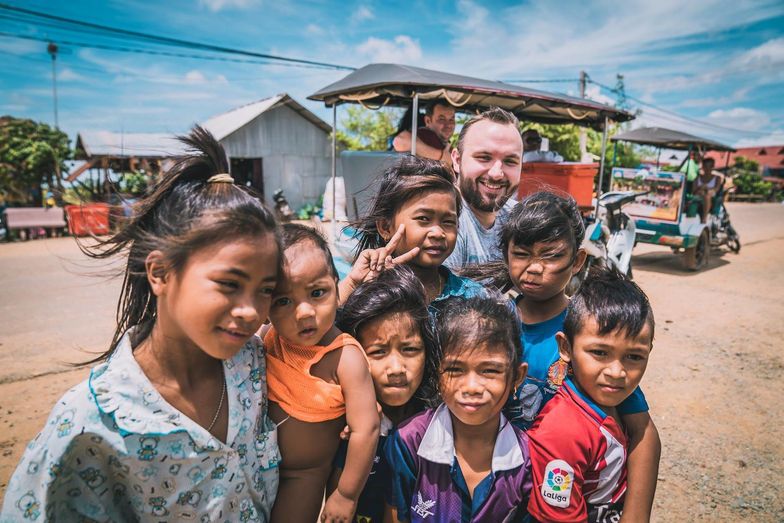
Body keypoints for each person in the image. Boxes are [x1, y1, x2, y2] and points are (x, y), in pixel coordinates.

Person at [1, 127, 282, 521]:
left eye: (265, 290)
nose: (251, 311)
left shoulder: (251, 364)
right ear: (160, 273)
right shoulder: (90, 424)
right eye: (229, 285)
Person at [464, 191, 661, 521]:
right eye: (522, 254)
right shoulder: (491, 327)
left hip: (571, 498)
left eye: (551, 256)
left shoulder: (592, 336)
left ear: (578, 260)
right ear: (506, 255)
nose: (535, 268)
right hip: (500, 494)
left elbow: (643, 432)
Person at [264, 223, 379, 522]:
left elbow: (365, 429)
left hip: (303, 474)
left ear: (335, 288)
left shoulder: (345, 358)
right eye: (283, 301)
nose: (304, 312)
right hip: (256, 463)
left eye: (318, 293)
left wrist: (346, 494)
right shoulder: (268, 337)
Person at [384, 295, 531, 522]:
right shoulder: (410, 440)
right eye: (455, 369)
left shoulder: (528, 458)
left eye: (490, 371)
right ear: (437, 373)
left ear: (517, 377)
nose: (471, 387)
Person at [527, 265, 655, 522]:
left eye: (634, 357)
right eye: (599, 353)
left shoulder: (613, 394)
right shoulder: (562, 432)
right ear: (565, 347)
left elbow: (647, 435)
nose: (617, 371)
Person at [329, 265, 440, 523]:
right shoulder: (341, 422)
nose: (396, 369)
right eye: (378, 352)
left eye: (410, 349)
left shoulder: (440, 424)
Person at [341, 155, 486, 309]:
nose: (438, 233)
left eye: (448, 221)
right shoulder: (365, 295)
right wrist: (352, 285)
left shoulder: (474, 298)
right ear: (385, 227)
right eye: (423, 218)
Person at [445, 107, 523, 269]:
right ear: (457, 160)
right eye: (484, 158)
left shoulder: (519, 217)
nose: (496, 174)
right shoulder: (443, 223)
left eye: (510, 161)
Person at [392, 101, 455, 166]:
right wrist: (441, 156)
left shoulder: (446, 145)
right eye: (442, 119)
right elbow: (399, 140)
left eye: (451, 119)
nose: (448, 125)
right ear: (428, 121)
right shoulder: (424, 136)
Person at [693, 157, 721, 222]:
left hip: (710, 194)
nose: (707, 169)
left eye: (710, 166)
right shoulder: (697, 178)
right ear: (703, 167)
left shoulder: (717, 178)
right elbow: (693, 190)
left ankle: (704, 218)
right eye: (705, 166)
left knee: (707, 195)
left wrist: (707, 188)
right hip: (699, 193)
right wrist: (700, 188)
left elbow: (716, 189)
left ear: (713, 167)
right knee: (702, 193)